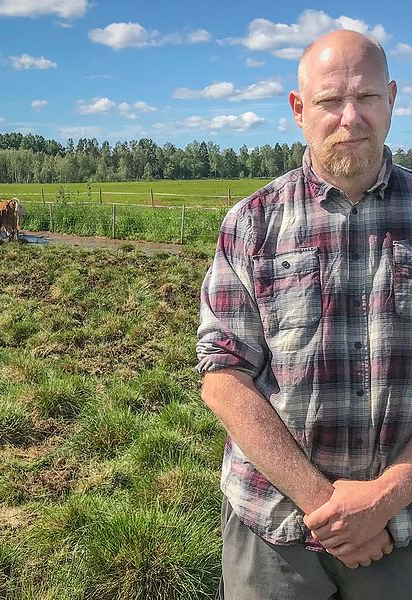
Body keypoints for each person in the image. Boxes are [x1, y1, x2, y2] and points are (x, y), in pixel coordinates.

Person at [196, 29, 412, 599]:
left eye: (366, 98)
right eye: (329, 101)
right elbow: (223, 379)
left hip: (405, 527)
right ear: (298, 109)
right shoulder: (251, 224)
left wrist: (388, 494)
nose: (350, 117)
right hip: (276, 529)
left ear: (392, 100)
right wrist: (330, 508)